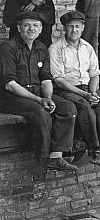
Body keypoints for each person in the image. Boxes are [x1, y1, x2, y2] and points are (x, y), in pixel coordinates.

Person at [0, 12, 76, 171]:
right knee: (41, 112)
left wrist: (48, 97)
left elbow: (46, 78)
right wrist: (39, 100)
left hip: (37, 93)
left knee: (68, 108)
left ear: (41, 29)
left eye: (35, 25)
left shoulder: (41, 48)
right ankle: (43, 159)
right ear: (19, 28)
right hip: (11, 96)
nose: (31, 29)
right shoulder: (8, 48)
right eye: (26, 25)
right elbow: (9, 84)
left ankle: (57, 155)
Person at [50, 10, 100, 167]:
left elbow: (95, 74)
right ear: (64, 28)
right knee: (84, 106)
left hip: (88, 87)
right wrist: (85, 95)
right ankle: (94, 150)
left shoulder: (87, 47)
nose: (74, 30)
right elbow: (59, 80)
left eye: (77, 27)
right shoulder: (56, 48)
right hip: (66, 88)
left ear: (82, 28)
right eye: (70, 27)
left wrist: (93, 92)